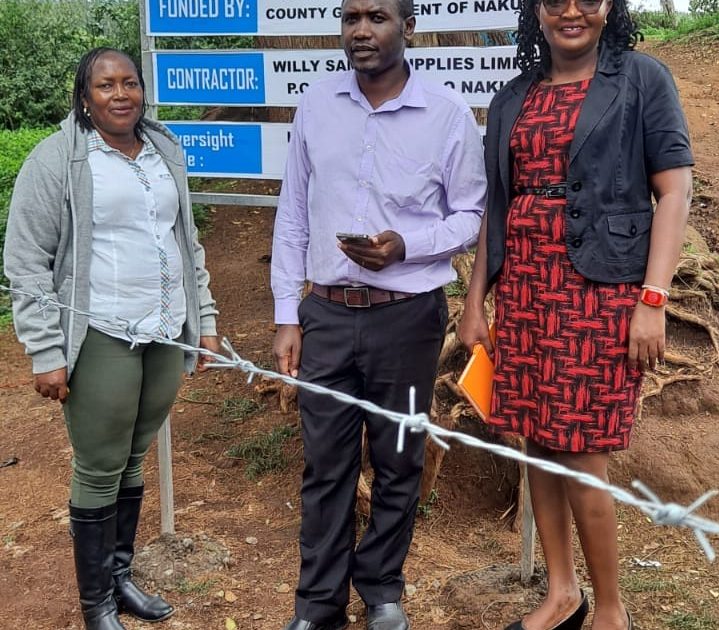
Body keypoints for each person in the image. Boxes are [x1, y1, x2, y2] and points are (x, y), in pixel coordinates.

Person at [458, 0, 693, 627]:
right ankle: (562, 594)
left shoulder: (642, 79)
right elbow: (498, 207)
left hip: (602, 292)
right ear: (534, 10)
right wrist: (475, 301)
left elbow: (674, 191)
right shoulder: (512, 98)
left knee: (585, 451)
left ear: (608, 7)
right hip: (525, 289)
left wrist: (653, 298)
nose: (571, 11)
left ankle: (611, 611)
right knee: (536, 440)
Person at [270, 1, 487, 628]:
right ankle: (318, 604)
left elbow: (472, 215)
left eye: (378, 17)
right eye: (351, 18)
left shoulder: (446, 114)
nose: (361, 30)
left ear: (408, 27)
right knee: (326, 464)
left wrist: (405, 246)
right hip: (327, 316)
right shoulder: (316, 105)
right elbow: (293, 213)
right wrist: (287, 314)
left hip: (407, 318)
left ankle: (383, 590)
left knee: (398, 458)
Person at [4, 47, 219, 630]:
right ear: (85, 96)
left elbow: (186, 242)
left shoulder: (163, 150)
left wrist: (203, 320)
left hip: (164, 329)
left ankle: (120, 577)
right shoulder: (58, 160)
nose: (120, 94)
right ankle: (95, 602)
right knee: (101, 463)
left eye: (129, 83)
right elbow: (26, 261)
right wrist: (46, 350)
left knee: (132, 455)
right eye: (106, 85)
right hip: (101, 330)